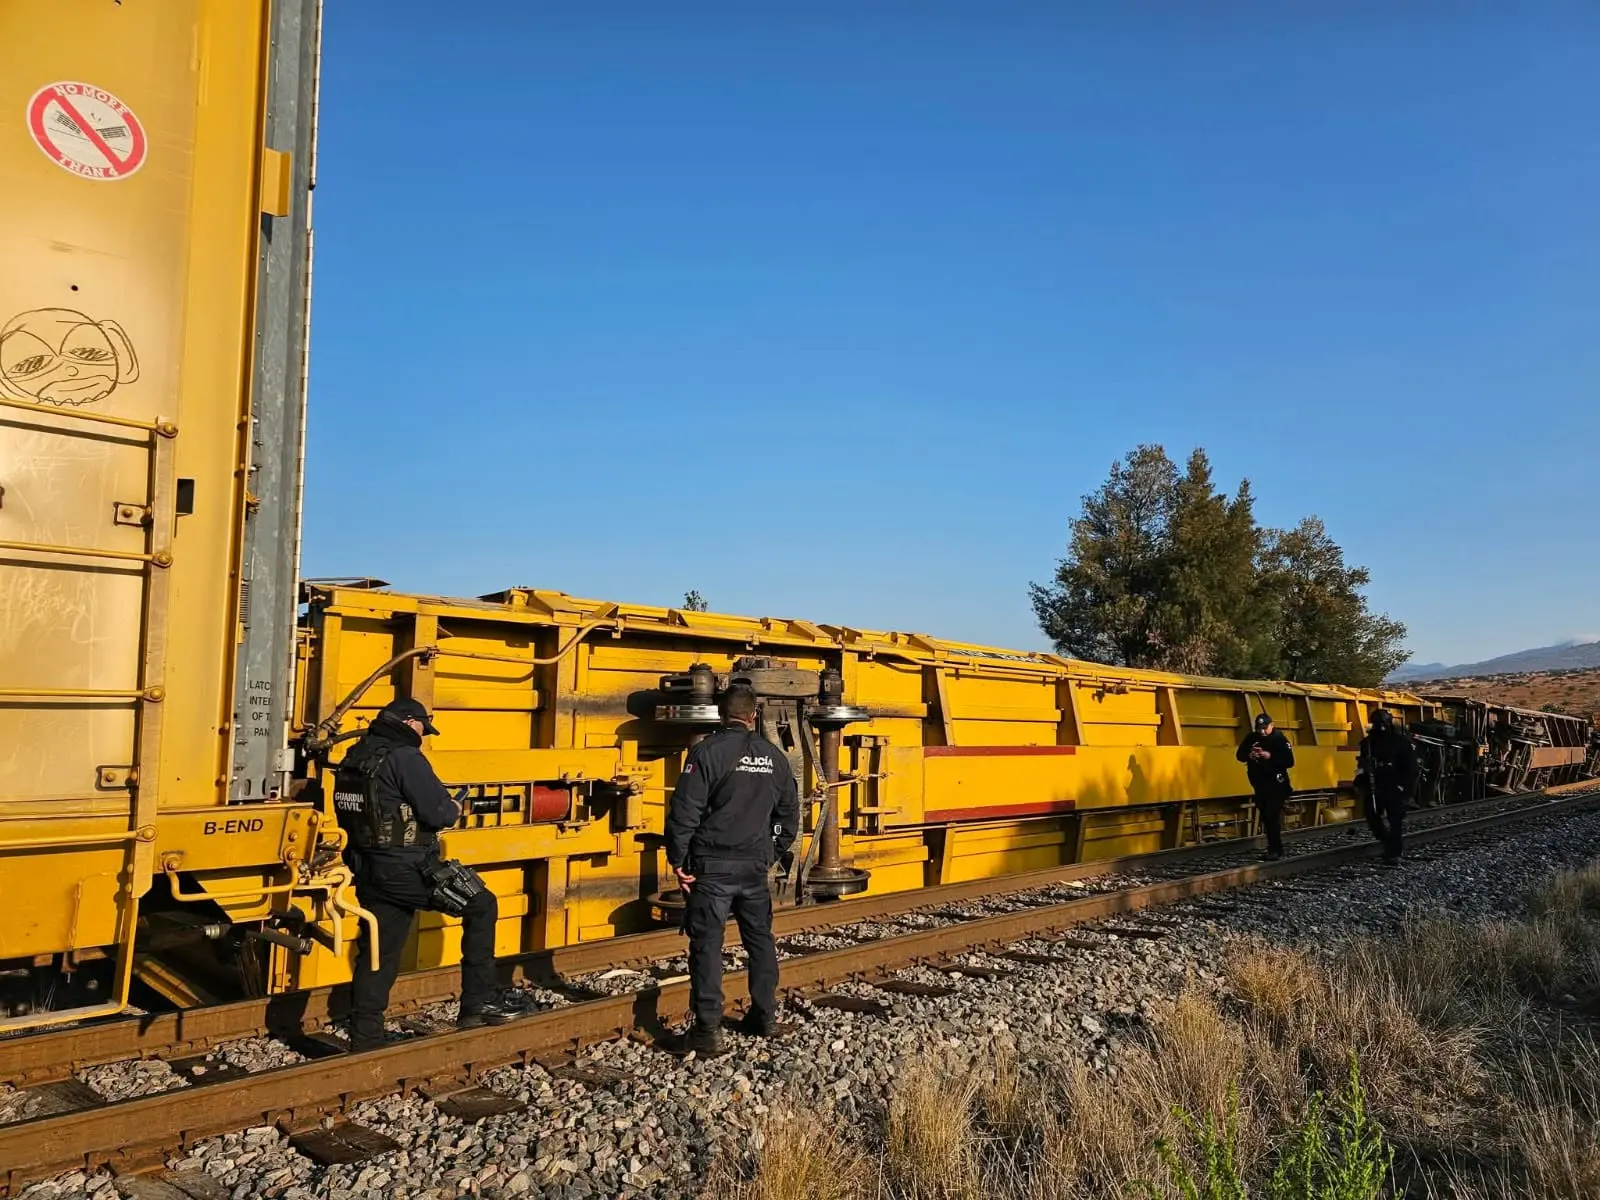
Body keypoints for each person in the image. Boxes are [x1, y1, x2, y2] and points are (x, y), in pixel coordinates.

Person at [335, 697, 517, 1051]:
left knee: (378, 951)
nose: (424, 735)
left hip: (367, 868)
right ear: (409, 722)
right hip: (407, 868)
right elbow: (438, 814)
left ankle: (366, 1036)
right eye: (423, 727)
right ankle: (477, 1004)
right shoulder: (404, 757)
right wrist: (453, 806)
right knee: (482, 905)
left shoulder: (354, 757)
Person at [665, 684, 800, 1054]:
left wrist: (677, 860)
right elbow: (790, 815)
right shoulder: (773, 757)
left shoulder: (705, 753)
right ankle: (764, 1016)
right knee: (760, 941)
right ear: (753, 716)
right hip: (753, 869)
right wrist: (769, 853)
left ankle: (708, 1029)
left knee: (708, 945)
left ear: (721, 716)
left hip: (711, 869)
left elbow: (685, 811)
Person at [1359, 709, 1419, 865]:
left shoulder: (1401, 742)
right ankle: (1388, 842)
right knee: (1372, 817)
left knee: (1395, 821)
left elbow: (1411, 767)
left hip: (1394, 785)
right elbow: (1362, 764)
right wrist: (1360, 780)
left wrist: (1405, 787)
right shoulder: (1368, 743)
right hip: (1375, 785)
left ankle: (1394, 852)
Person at [1236, 712, 1295, 860]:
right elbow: (1239, 755)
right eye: (1259, 728)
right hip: (1259, 784)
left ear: (1271, 726)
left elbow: (1289, 761)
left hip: (1276, 784)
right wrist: (1250, 755)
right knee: (1266, 817)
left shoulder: (1279, 739)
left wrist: (1270, 756)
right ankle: (1273, 847)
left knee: (1271, 815)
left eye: (1265, 728)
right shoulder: (1251, 738)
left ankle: (1276, 849)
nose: (1262, 731)